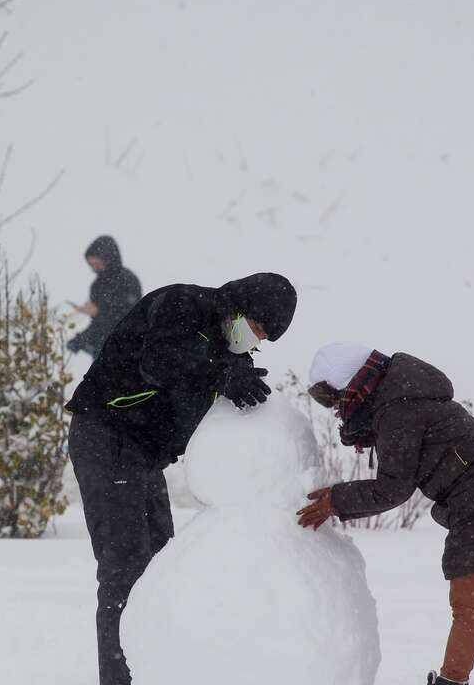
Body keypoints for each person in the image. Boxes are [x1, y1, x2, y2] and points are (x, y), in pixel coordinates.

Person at [65, 272, 297, 685]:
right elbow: (159, 361)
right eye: (257, 327)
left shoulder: (229, 356)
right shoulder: (183, 305)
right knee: (125, 566)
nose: (255, 340)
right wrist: (219, 373)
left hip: (142, 455)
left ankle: (155, 670)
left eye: (264, 338)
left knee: (160, 564)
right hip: (106, 433)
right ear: (241, 306)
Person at [296, 343, 474, 685]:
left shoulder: (397, 410)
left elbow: (393, 488)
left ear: (353, 386)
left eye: (337, 402)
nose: (337, 413)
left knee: (468, 606)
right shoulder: (404, 394)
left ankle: (452, 681)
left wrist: (336, 500)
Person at [68, 236, 142, 358]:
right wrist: (80, 340)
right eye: (92, 264)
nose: (95, 268)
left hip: (127, 353)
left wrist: (98, 312)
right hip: (102, 356)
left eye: (98, 263)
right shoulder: (96, 286)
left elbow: (130, 319)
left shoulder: (128, 280)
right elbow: (98, 325)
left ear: (108, 258)